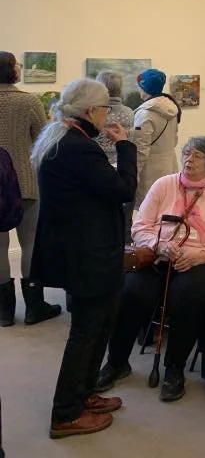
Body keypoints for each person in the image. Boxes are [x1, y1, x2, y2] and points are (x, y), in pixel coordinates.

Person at [29, 78, 136, 439]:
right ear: (91, 111)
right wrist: (125, 146)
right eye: (105, 108)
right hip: (89, 254)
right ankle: (66, 413)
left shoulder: (59, 137)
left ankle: (84, 394)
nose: (108, 114)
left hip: (82, 250)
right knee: (87, 331)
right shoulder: (78, 147)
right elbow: (123, 189)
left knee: (99, 325)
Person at [96, 136, 205, 402]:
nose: (188, 159)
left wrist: (200, 255)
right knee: (132, 291)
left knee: (187, 294)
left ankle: (174, 368)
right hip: (158, 256)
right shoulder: (164, 184)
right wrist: (159, 245)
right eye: (187, 153)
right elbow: (140, 226)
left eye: (197, 156)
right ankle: (117, 362)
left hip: (200, 260)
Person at [0, 51, 61, 326]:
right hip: (24, 180)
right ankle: (34, 307)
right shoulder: (29, 101)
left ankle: (4, 313)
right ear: (13, 70)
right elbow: (43, 142)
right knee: (30, 242)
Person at [94, 70, 136, 238]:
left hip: (100, 170)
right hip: (122, 167)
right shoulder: (129, 112)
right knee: (125, 221)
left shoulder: (96, 113)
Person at [133, 68, 181, 209]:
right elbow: (174, 140)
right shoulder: (171, 108)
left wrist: (132, 175)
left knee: (149, 211)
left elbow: (140, 151)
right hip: (169, 167)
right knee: (165, 209)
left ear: (144, 87)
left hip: (150, 174)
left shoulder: (145, 114)